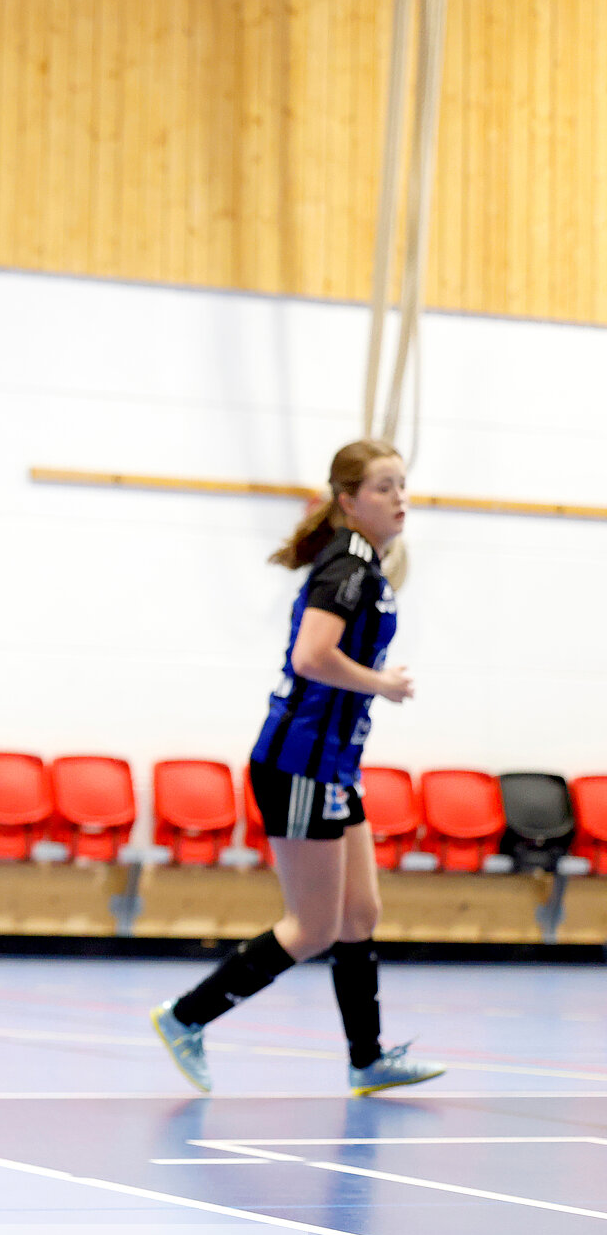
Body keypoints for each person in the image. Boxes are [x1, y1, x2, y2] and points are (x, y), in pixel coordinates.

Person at [151, 439, 445, 1097]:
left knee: (359, 912)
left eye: (403, 484)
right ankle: (185, 1017)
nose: (400, 497)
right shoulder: (345, 565)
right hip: (299, 765)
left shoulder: (368, 564)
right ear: (348, 501)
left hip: (335, 764)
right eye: (384, 486)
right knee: (312, 926)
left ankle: (366, 1060)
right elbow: (313, 656)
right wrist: (382, 683)